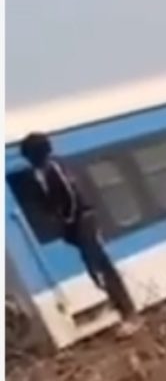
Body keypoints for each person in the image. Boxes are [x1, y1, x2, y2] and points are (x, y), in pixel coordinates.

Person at [19, 132, 142, 337]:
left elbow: (70, 195)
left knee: (100, 268)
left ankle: (129, 313)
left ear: (35, 155)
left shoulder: (53, 168)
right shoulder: (50, 168)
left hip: (83, 221)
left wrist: (67, 219)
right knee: (97, 267)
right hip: (79, 222)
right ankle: (119, 304)